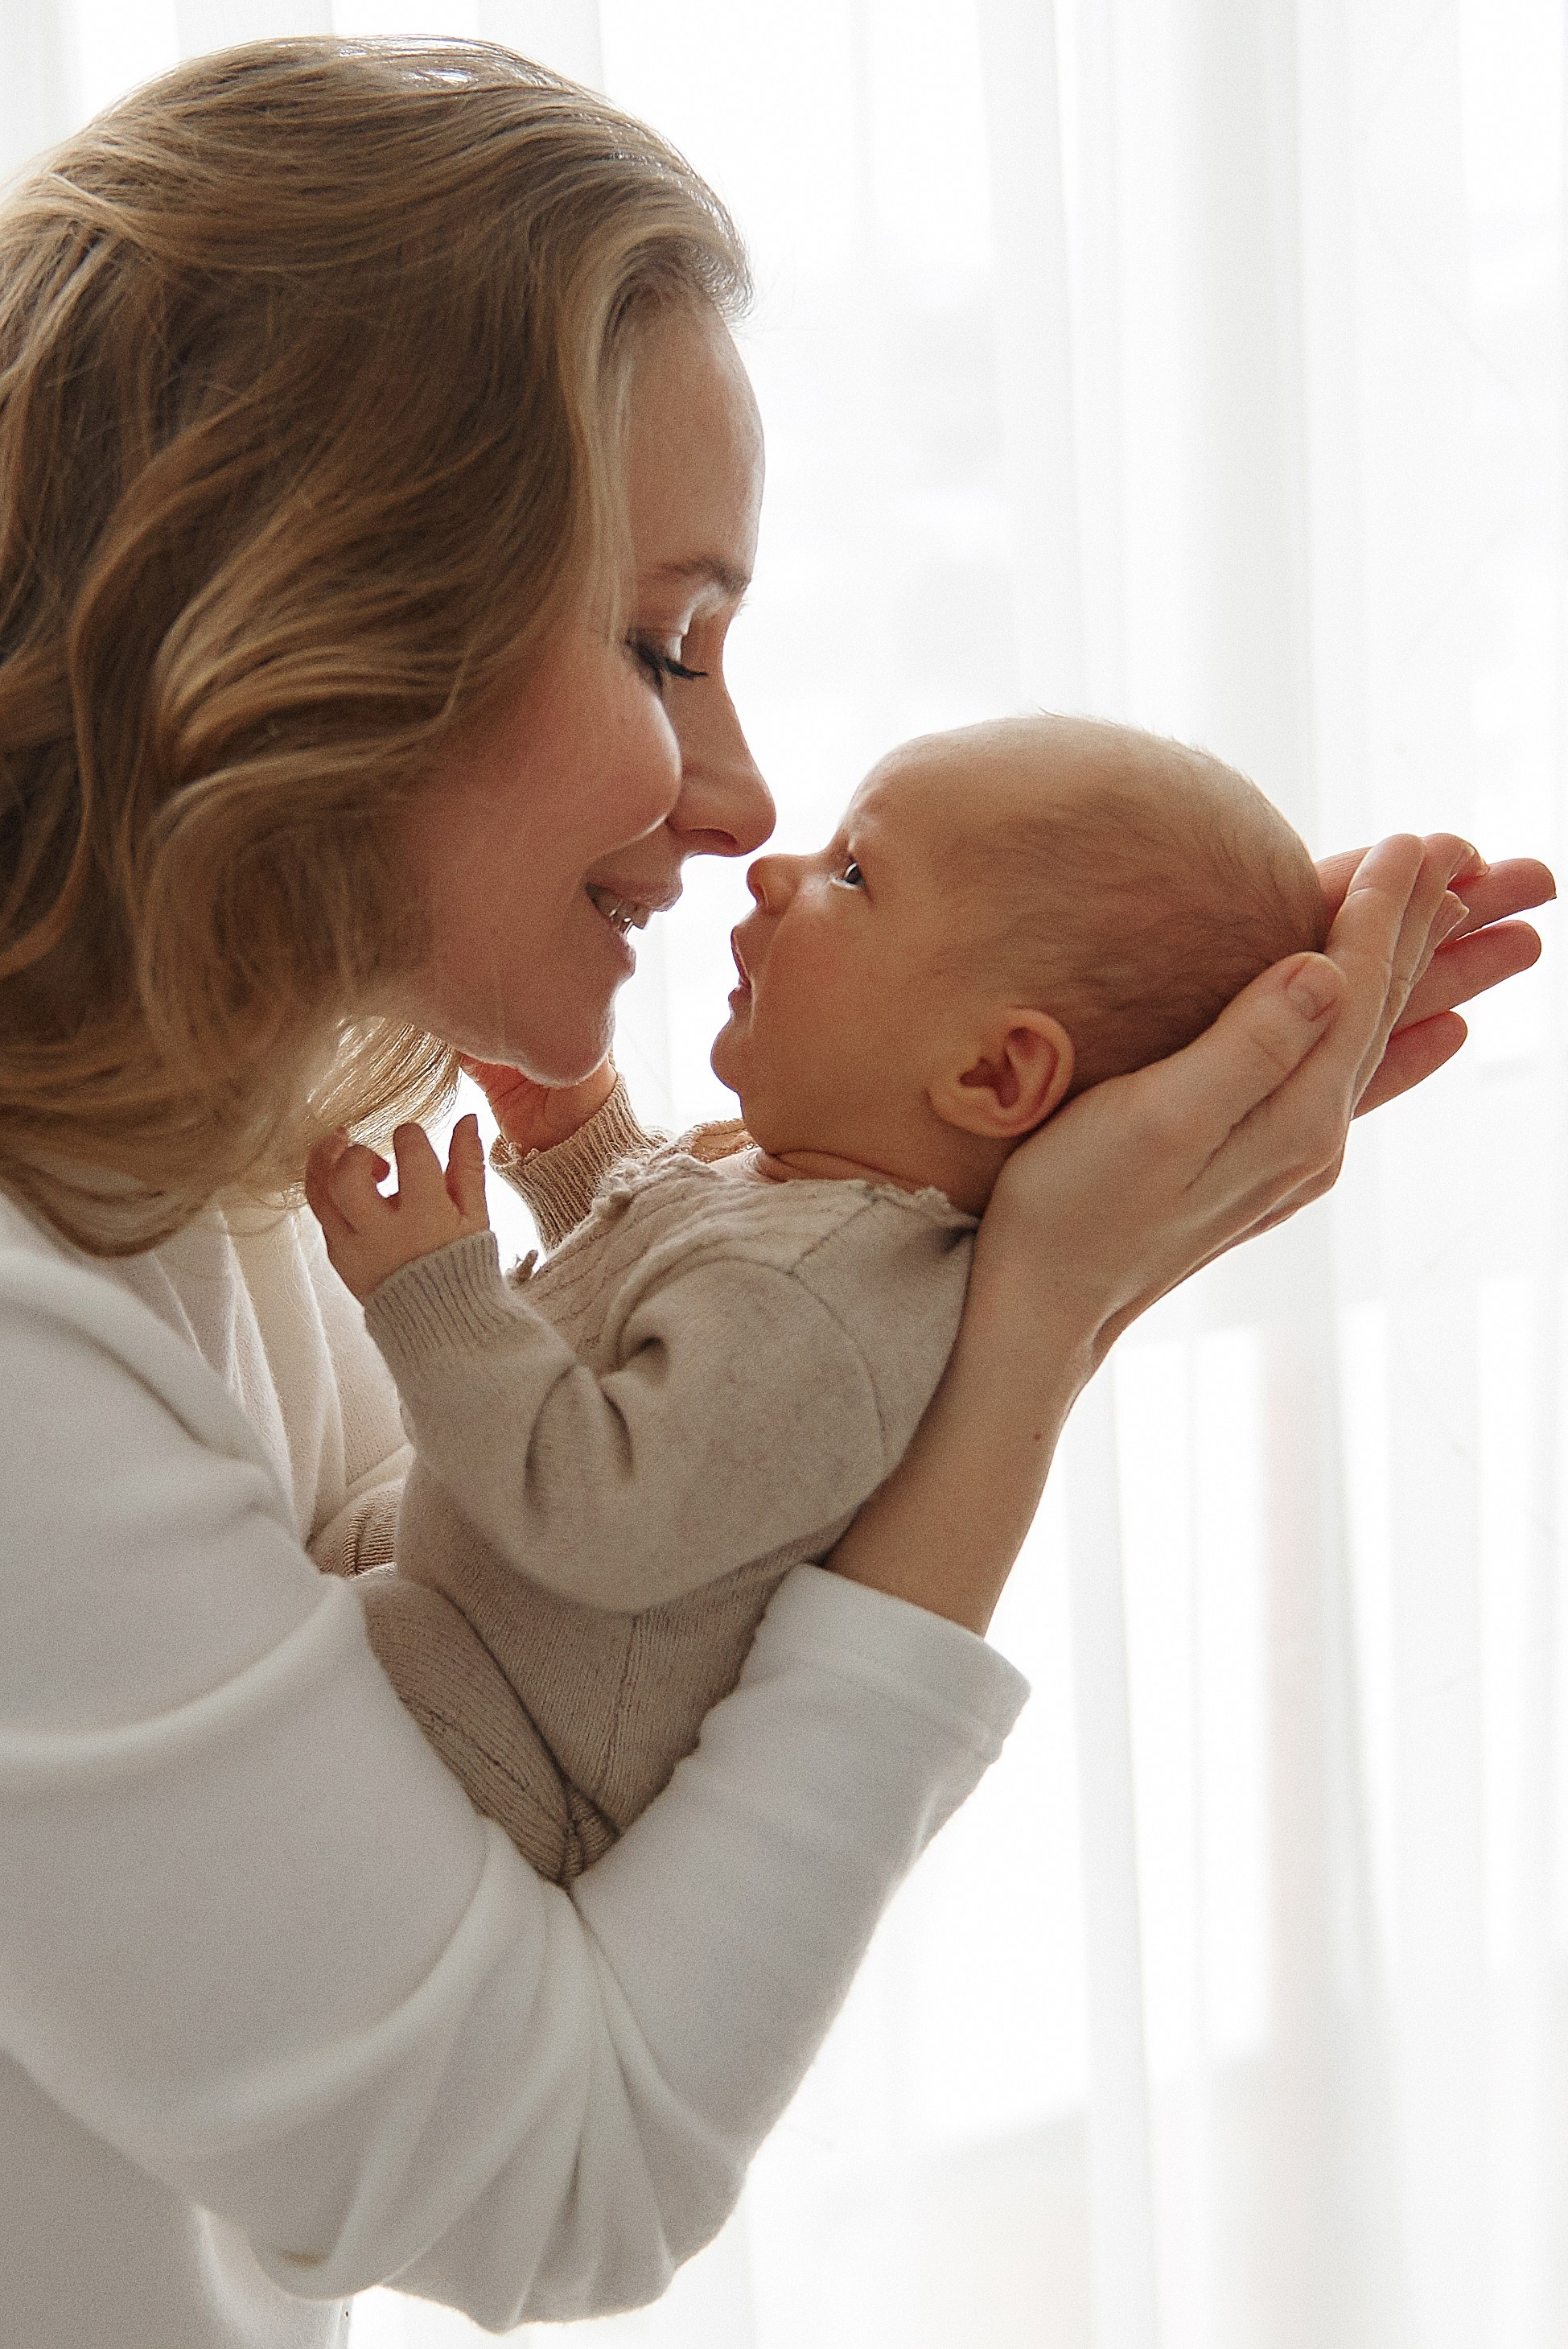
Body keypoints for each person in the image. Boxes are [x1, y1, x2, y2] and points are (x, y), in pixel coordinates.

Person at [0, 37, 1549, 2349]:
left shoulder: (222, 1165)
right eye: (662, 641)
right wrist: (1023, 1322)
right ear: (319, 609)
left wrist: (993, 1133)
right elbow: (558, 2178)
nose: (733, 800)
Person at [303, 715, 1334, 1882]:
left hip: (506, 1753)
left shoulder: (825, 1310)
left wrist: (438, 1298)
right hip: (463, 1620)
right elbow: (667, 1311)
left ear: (993, 1073)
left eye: (852, 873)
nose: (774, 871)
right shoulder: (800, 1208)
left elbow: (610, 1514)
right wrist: (577, 1140)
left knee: (295, 1652)